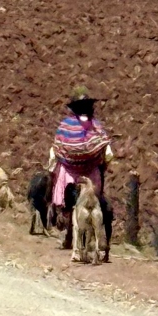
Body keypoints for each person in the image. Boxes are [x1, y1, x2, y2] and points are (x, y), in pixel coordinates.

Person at [49, 86, 114, 256]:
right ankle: (98, 243)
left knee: (57, 173)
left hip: (69, 175)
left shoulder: (65, 125)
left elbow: (56, 150)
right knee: (99, 202)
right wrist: (101, 163)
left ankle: (64, 229)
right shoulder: (95, 126)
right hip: (91, 175)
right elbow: (107, 154)